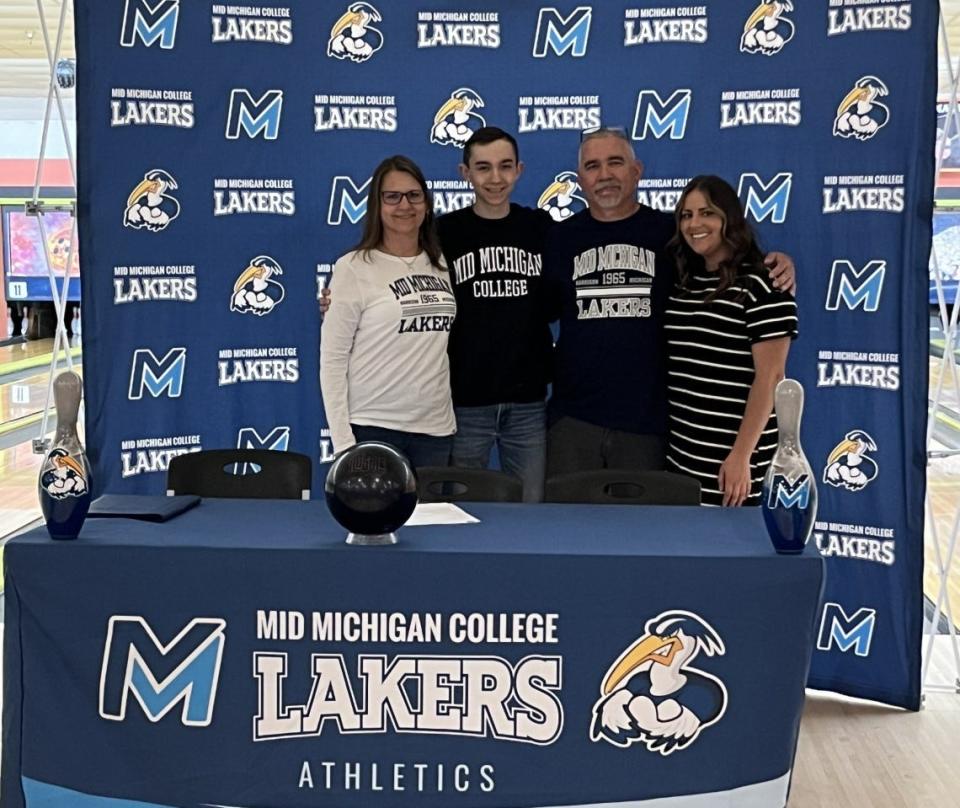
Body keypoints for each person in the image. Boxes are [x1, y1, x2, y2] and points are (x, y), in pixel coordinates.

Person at [542, 127, 795, 476]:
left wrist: (776, 261)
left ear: (637, 170)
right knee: (566, 528)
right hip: (572, 422)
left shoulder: (671, 235)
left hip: (649, 426)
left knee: (645, 530)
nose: (605, 175)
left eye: (616, 162)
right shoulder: (558, 238)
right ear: (580, 179)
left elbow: (723, 260)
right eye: (592, 166)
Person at [665, 176, 797, 507]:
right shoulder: (685, 283)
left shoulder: (764, 283)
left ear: (729, 218)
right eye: (686, 215)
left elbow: (771, 377)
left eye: (707, 213)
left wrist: (741, 456)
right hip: (682, 458)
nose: (694, 223)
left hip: (733, 467)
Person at [437, 128, 553, 502]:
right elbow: (399, 276)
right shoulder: (443, 232)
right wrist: (340, 297)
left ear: (519, 170)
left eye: (505, 167)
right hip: (465, 400)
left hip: (528, 402)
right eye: (483, 168)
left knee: (530, 508)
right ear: (464, 173)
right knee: (461, 511)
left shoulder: (540, 228)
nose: (495, 178)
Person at [319, 155, 456, 467]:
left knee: (437, 517)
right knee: (375, 517)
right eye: (392, 197)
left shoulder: (442, 264)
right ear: (376, 205)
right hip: (374, 427)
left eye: (414, 195)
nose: (404, 206)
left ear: (427, 202)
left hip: (436, 430)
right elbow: (333, 360)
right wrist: (343, 442)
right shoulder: (352, 267)